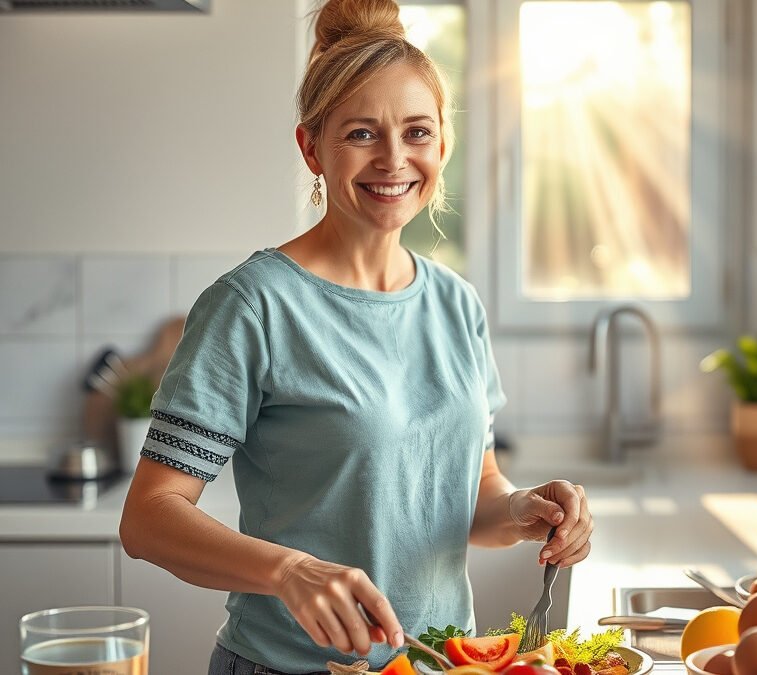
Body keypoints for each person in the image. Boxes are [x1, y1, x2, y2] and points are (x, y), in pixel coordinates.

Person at [118, 1, 594, 674]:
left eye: (417, 132)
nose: (394, 160)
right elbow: (148, 517)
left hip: (438, 664)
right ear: (311, 147)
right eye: (362, 134)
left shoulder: (456, 303)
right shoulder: (254, 305)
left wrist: (523, 509)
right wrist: (289, 571)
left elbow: (469, 499)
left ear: (443, 146)